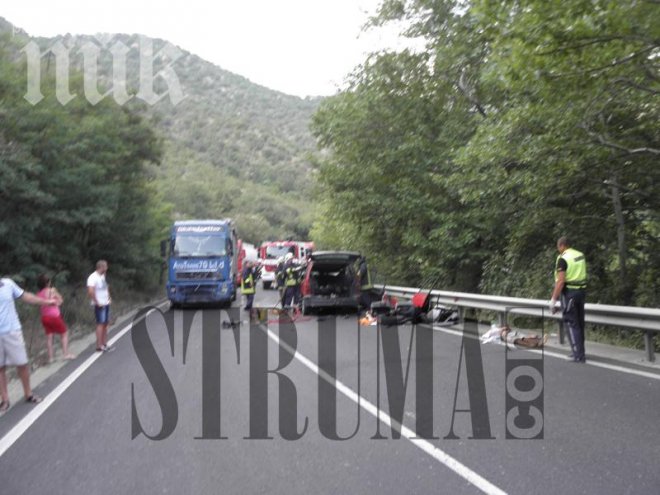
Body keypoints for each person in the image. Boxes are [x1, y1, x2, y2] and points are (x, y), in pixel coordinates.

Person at [0, 277, 58, 412]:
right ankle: (5, 400)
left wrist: (46, 302)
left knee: (22, 364)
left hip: (12, 331)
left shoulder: (8, 284)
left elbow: (26, 296)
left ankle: (28, 394)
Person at [550, 237, 587, 363]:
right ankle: (581, 351)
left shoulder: (563, 259)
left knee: (571, 323)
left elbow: (560, 281)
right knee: (580, 322)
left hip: (569, 293)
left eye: (558, 247)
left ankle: (578, 354)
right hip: (581, 292)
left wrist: (553, 300)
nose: (558, 250)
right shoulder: (580, 255)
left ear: (562, 245)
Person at [37, 274, 75, 362]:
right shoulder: (52, 290)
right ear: (48, 282)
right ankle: (66, 354)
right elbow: (60, 300)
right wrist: (57, 301)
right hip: (54, 316)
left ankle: (51, 357)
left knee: (49, 337)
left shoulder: (38, 293)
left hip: (44, 317)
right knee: (64, 333)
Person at [87, 260, 113, 353]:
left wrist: (109, 297)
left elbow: (106, 287)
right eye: (105, 266)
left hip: (106, 302)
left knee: (106, 323)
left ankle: (104, 343)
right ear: (101, 267)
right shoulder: (92, 277)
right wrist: (97, 302)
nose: (107, 268)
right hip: (100, 304)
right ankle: (99, 345)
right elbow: (90, 291)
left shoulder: (102, 276)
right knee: (100, 323)